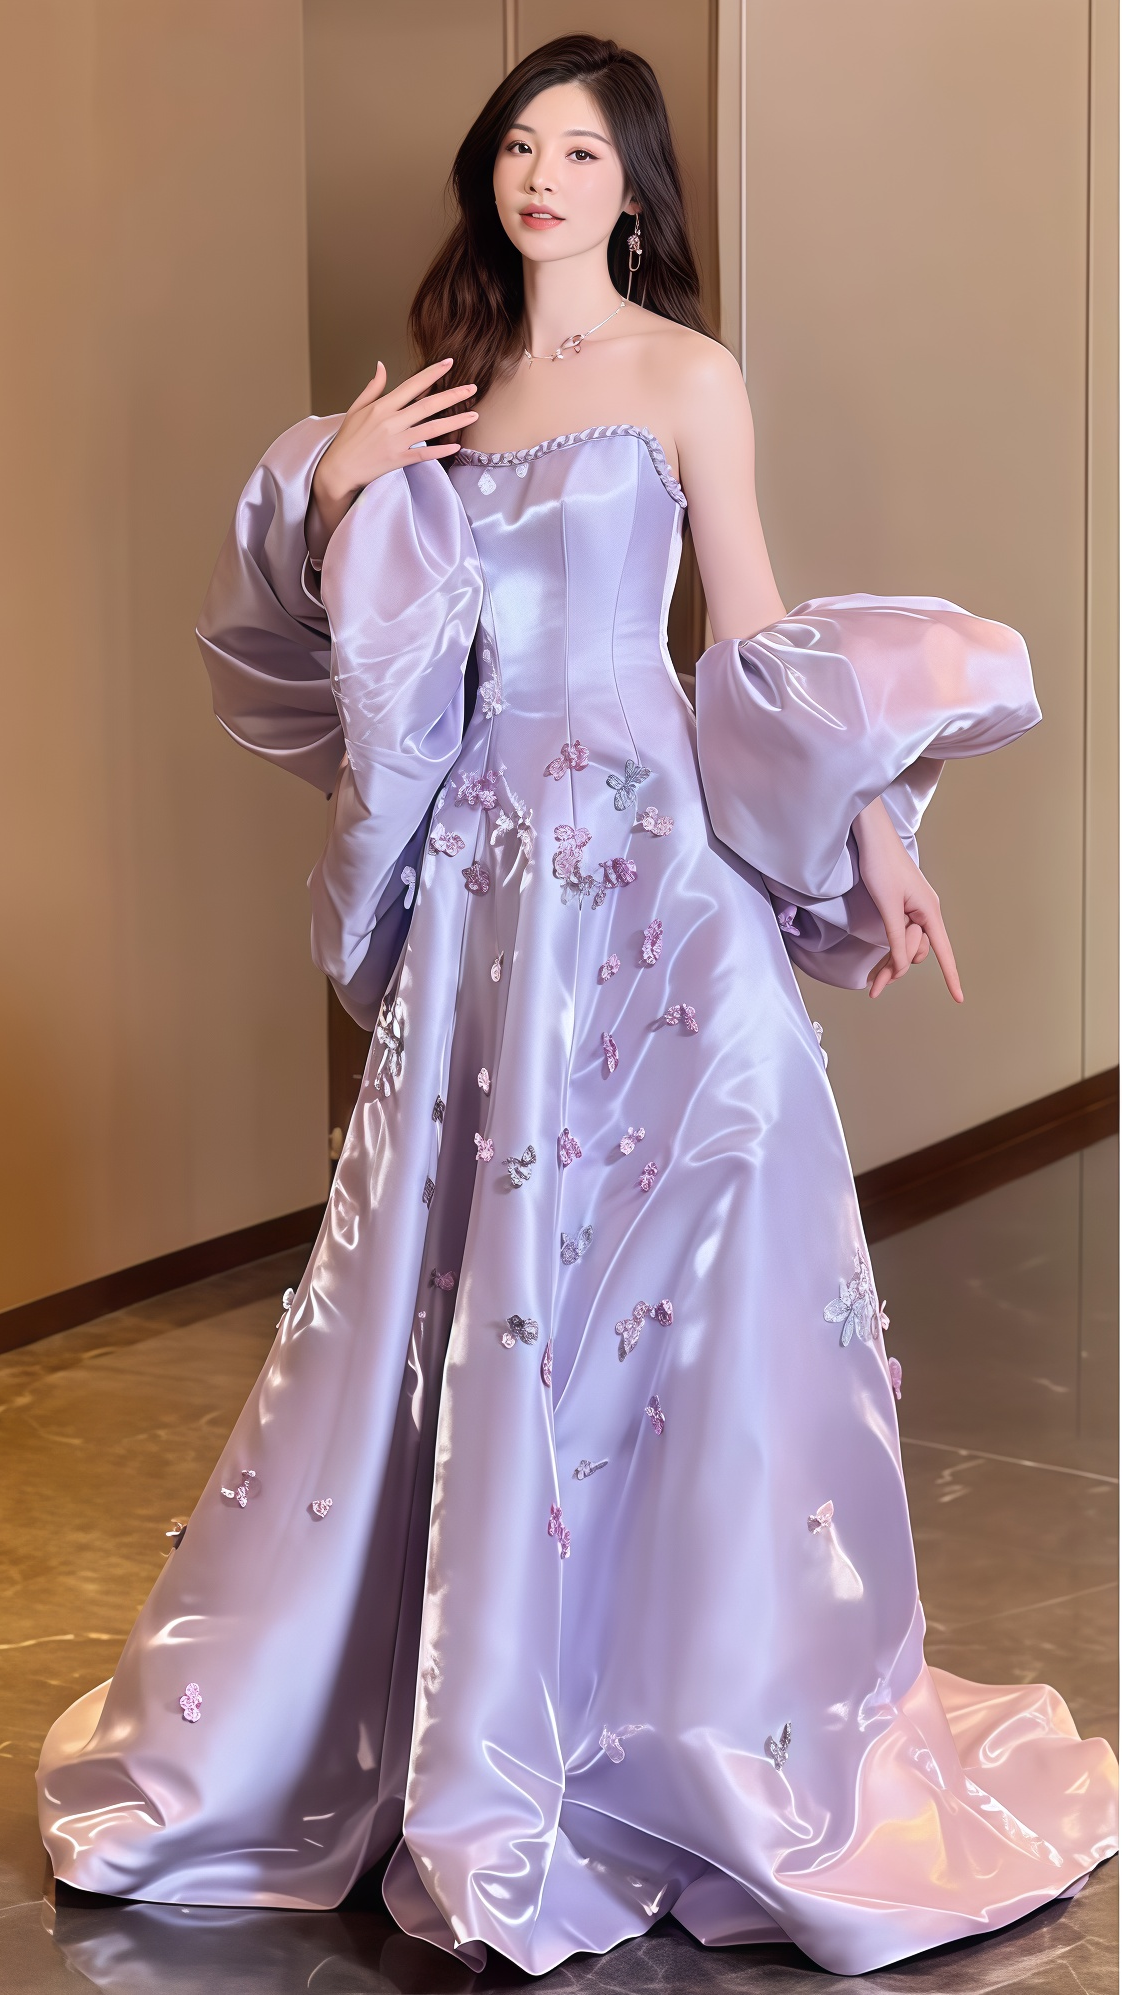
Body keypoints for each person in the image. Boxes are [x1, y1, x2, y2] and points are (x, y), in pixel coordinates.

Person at [38, 34, 1116, 1977]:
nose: (542, 176)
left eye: (582, 153)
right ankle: (474, 1717)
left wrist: (872, 835)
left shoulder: (687, 377)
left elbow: (753, 633)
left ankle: (688, 1720)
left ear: (634, 191)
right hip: (488, 886)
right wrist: (337, 485)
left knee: (717, 1230)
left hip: (653, 858)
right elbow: (352, 652)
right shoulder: (444, 395)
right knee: (478, 1280)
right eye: (520, 146)